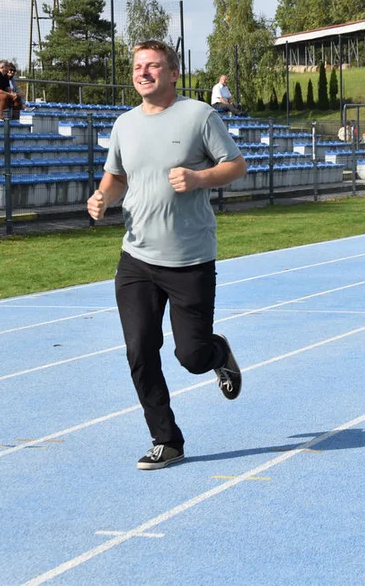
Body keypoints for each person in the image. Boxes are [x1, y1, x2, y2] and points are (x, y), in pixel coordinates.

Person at [86, 39, 247, 470]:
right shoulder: (124, 124)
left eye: (153, 66)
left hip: (189, 258)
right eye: (138, 66)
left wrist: (199, 178)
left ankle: (216, 353)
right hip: (136, 257)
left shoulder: (199, 115)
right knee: (140, 349)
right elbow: (115, 177)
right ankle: (166, 439)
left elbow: (236, 165)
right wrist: (101, 197)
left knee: (191, 357)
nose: (144, 72)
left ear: (173, 73)